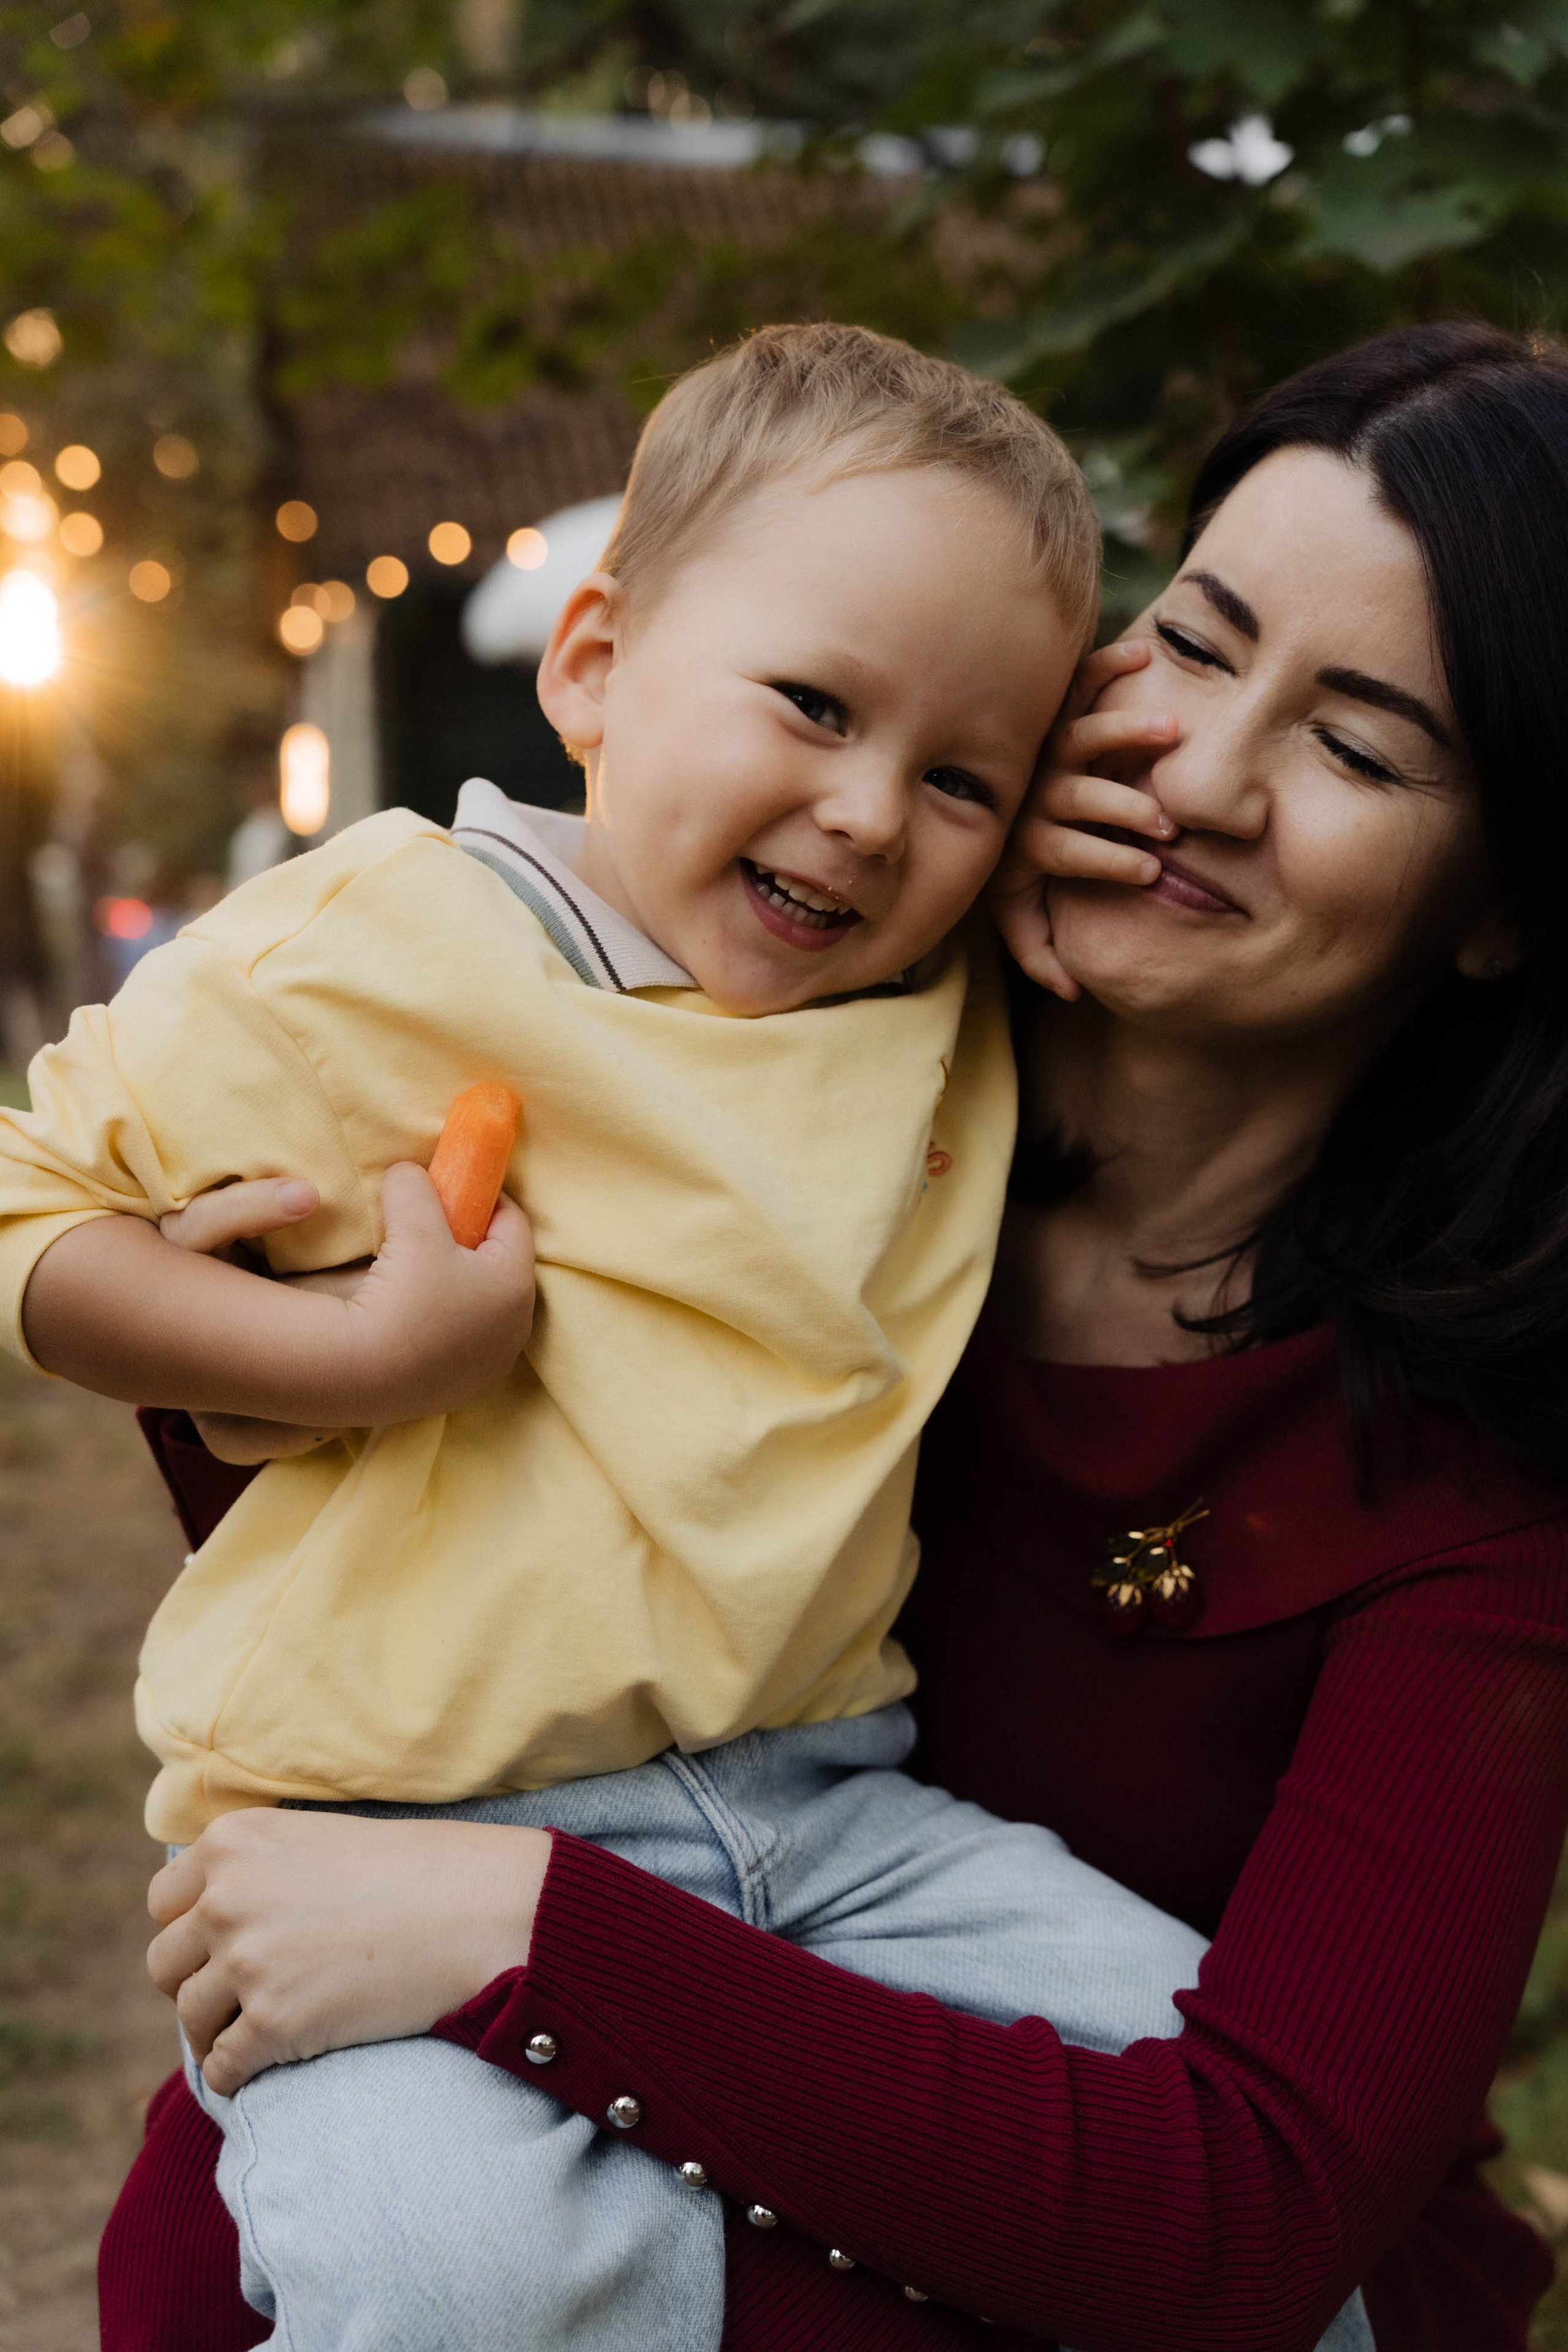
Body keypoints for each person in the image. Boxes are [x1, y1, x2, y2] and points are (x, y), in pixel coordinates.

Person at [104, 320, 1568, 2352]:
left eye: (1359, 747)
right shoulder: (760, 1069)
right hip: (540, 2096)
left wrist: (537, 1939)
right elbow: (357, 1589)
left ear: (1500, 897)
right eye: (1200, 644)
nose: (1204, 781)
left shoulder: (1474, 1481)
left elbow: (1243, 2221)